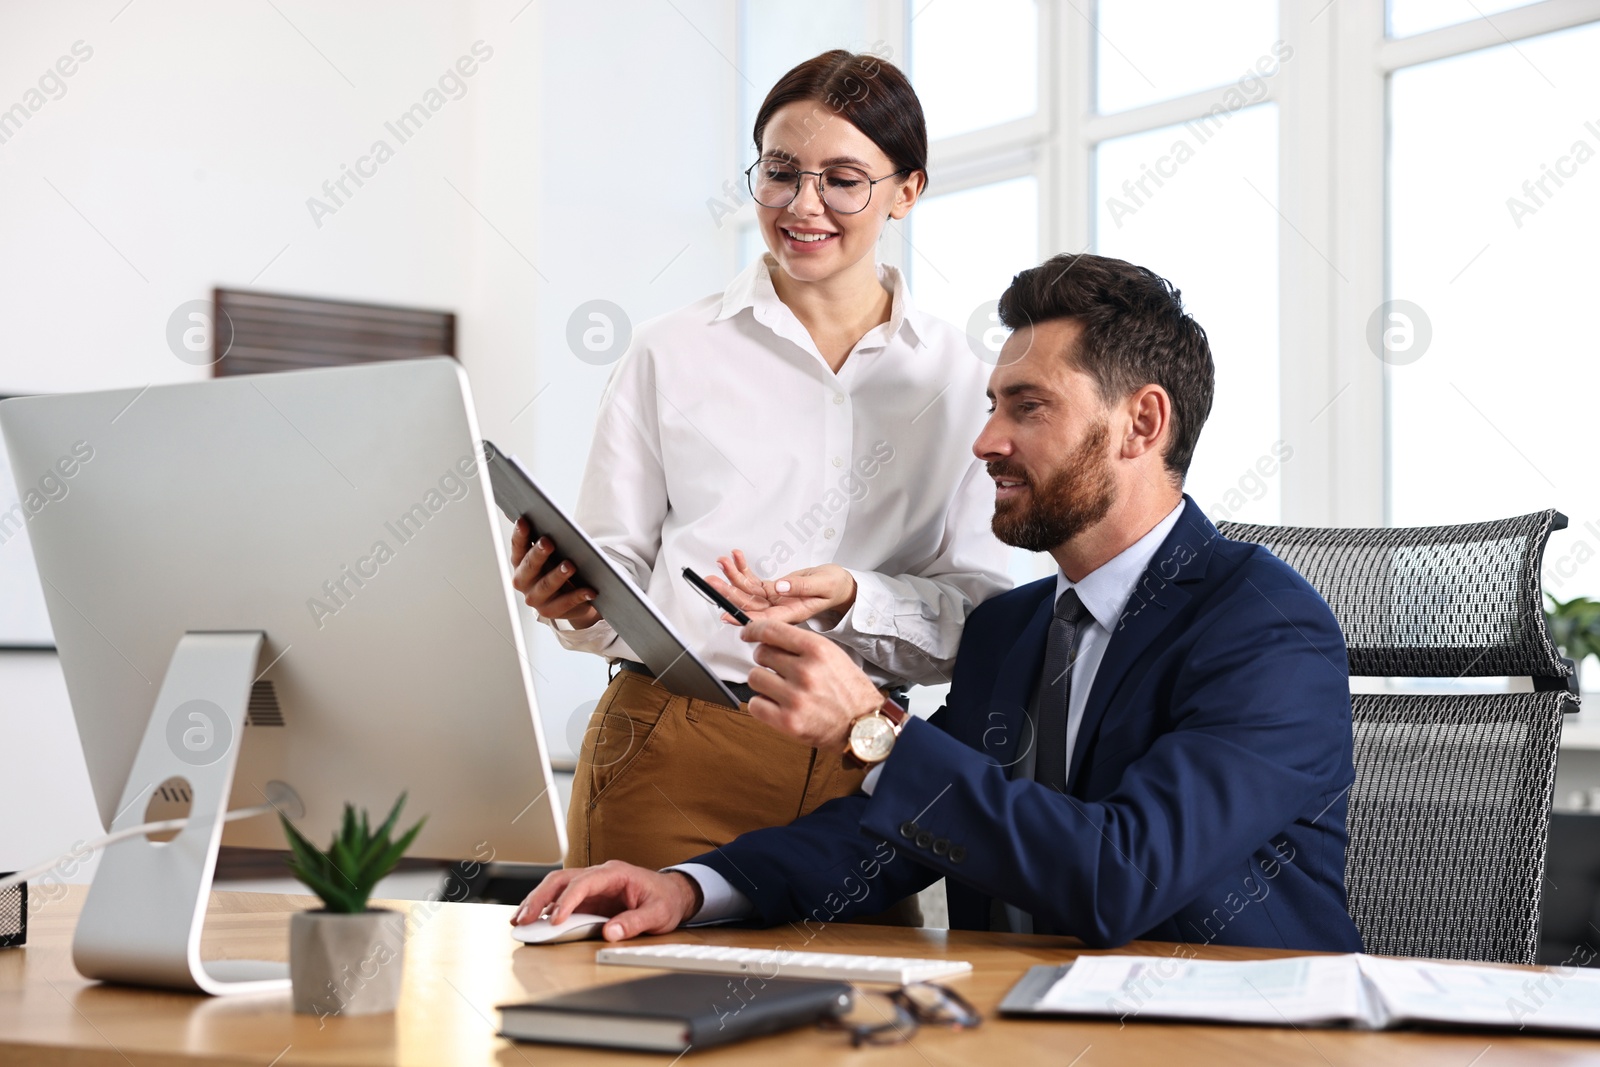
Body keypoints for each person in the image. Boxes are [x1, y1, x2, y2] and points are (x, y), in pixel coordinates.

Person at [512, 253, 1365, 954]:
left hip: (1233, 1035)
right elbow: (891, 836)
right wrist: (688, 886)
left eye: (1027, 408)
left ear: (1142, 423)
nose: (987, 441)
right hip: (1014, 1023)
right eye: (993, 405)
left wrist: (870, 729)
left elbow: (1122, 877)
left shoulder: (1264, 626)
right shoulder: (1011, 629)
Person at [509, 50, 1010, 888]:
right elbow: (613, 583)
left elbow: (984, 620)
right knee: (632, 1003)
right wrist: (571, 603)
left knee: (868, 1011)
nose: (803, 205)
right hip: (669, 745)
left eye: (843, 179)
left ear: (907, 191)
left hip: (863, 763)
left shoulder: (962, 381)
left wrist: (858, 597)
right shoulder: (671, 350)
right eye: (781, 172)